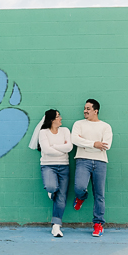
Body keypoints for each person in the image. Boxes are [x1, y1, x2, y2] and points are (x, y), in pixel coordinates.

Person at [71, 98, 113, 237]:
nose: (85, 111)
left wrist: (85, 143)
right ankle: (81, 197)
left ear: (96, 111)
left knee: (99, 195)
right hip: (83, 160)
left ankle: (98, 224)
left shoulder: (105, 127)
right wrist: (94, 144)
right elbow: (75, 140)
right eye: (84, 108)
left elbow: (106, 145)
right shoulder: (78, 124)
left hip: (100, 162)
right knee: (79, 187)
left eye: (88, 109)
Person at [37, 108, 73, 237]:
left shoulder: (65, 131)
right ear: (52, 120)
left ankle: (56, 226)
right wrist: (61, 149)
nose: (61, 118)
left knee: (62, 197)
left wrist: (54, 147)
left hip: (64, 166)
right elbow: (46, 150)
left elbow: (69, 147)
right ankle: (51, 193)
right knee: (52, 187)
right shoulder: (43, 133)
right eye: (58, 116)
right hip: (48, 166)